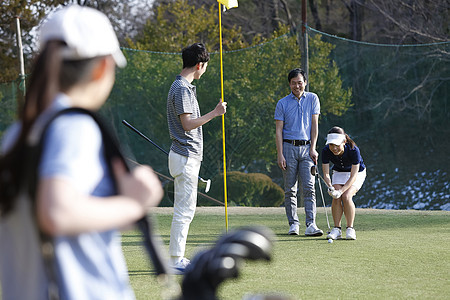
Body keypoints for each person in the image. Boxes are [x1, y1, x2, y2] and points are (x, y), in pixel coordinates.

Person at [0, 5, 163, 299]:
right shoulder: (75, 127)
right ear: (103, 67)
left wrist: (119, 212)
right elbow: (57, 212)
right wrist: (135, 204)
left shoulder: (17, 136)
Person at [166, 43, 227, 273]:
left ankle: (176, 258)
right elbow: (187, 124)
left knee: (184, 210)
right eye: (205, 66)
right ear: (199, 65)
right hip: (185, 156)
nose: (205, 70)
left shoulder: (183, 87)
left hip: (184, 156)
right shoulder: (182, 88)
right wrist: (215, 113)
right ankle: (175, 260)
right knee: (184, 211)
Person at [275, 68, 323, 236]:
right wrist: (280, 154)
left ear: (305, 83)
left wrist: (313, 148)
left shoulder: (313, 98)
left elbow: (314, 125)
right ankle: (293, 224)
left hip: (307, 149)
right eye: (294, 83)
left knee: (310, 188)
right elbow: (279, 130)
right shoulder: (282, 103)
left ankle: (311, 224)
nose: (297, 86)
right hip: (288, 148)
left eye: (300, 82)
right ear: (289, 84)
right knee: (290, 189)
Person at [321, 126, 366, 240]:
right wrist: (331, 187)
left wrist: (341, 190)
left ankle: (350, 229)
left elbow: (353, 176)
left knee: (346, 196)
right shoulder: (326, 151)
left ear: (344, 141)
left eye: (337, 145)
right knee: (336, 197)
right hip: (339, 172)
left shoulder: (353, 150)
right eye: (331, 145)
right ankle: (337, 229)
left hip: (356, 173)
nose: (334, 148)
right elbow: (326, 174)